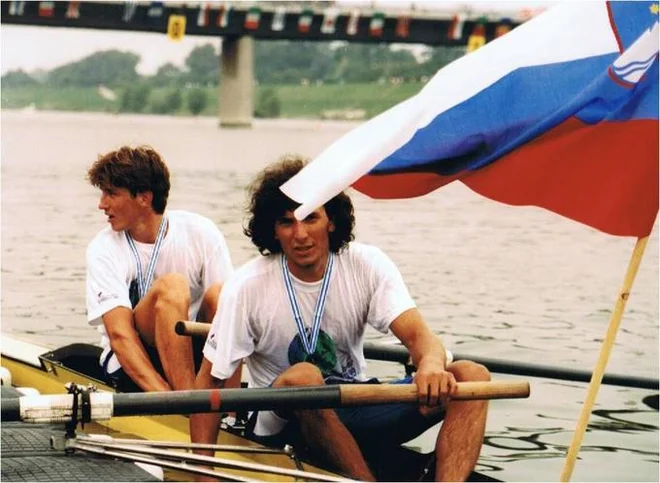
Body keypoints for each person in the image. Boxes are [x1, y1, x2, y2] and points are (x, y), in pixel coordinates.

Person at [190, 155, 490, 481]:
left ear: (331, 220)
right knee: (304, 377)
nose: (300, 234)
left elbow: (420, 338)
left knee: (472, 375)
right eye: (287, 222)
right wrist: (203, 470)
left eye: (310, 218)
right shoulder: (247, 286)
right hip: (281, 424)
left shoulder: (366, 264)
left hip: (354, 407)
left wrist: (430, 365)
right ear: (273, 231)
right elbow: (211, 380)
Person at [86, 145, 239, 393]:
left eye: (111, 193)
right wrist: (171, 403)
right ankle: (191, 407)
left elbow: (233, 318)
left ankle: (232, 413)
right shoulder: (103, 249)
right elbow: (120, 336)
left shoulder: (201, 232)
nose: (101, 205)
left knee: (223, 297)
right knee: (172, 287)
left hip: (190, 353)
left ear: (144, 198)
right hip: (132, 361)